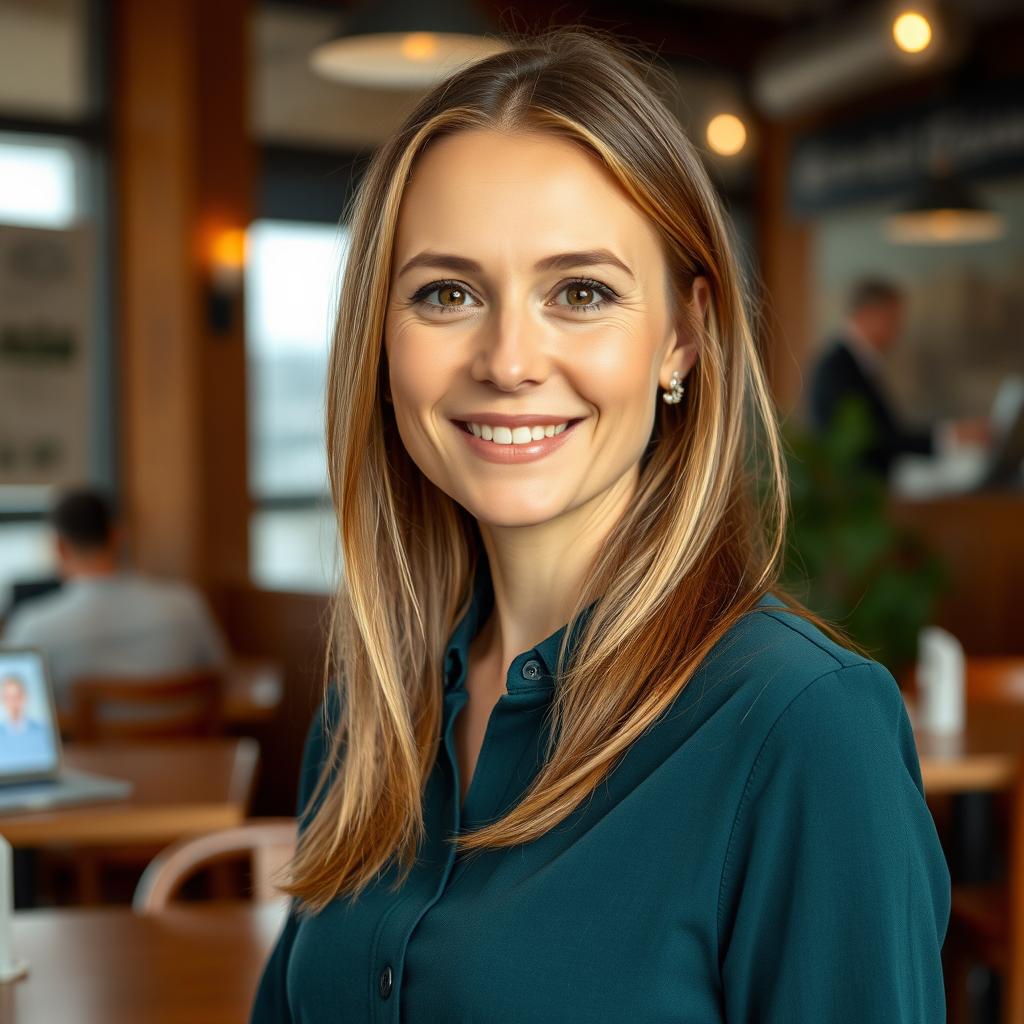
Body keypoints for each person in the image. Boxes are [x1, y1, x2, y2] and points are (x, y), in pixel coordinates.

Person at [252, 26, 950, 1023]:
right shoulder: (369, 709)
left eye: (579, 293)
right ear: (380, 336)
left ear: (683, 336)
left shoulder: (804, 731)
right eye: (446, 293)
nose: (507, 358)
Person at [0, 487, 230, 710]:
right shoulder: (185, 604)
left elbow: (11, 713)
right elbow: (222, 676)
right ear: (118, 536)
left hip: (84, 750)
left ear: (59, 547)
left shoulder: (34, 627)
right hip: (187, 748)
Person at [808, 277, 991, 478]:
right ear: (866, 315)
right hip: (856, 494)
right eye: (892, 318)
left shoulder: (854, 362)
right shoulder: (838, 366)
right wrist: (951, 436)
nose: (899, 328)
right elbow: (872, 438)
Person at [0, 673, 51, 769]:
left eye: (17, 697)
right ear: (3, 700)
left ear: (24, 697)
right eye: (8, 698)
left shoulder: (43, 731)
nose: (13, 703)